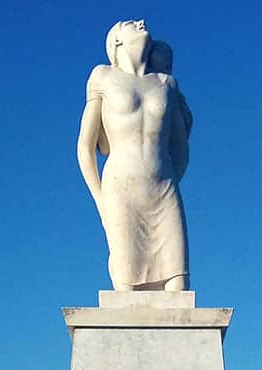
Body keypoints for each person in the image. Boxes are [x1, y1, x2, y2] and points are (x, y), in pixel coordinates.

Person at [77, 20, 191, 291]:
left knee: (178, 285)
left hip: (163, 190)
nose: (141, 23)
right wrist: (100, 200)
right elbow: (85, 146)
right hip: (121, 189)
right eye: (130, 24)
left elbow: (180, 147)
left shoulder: (166, 83)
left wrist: (165, 179)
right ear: (117, 41)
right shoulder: (102, 76)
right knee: (125, 288)